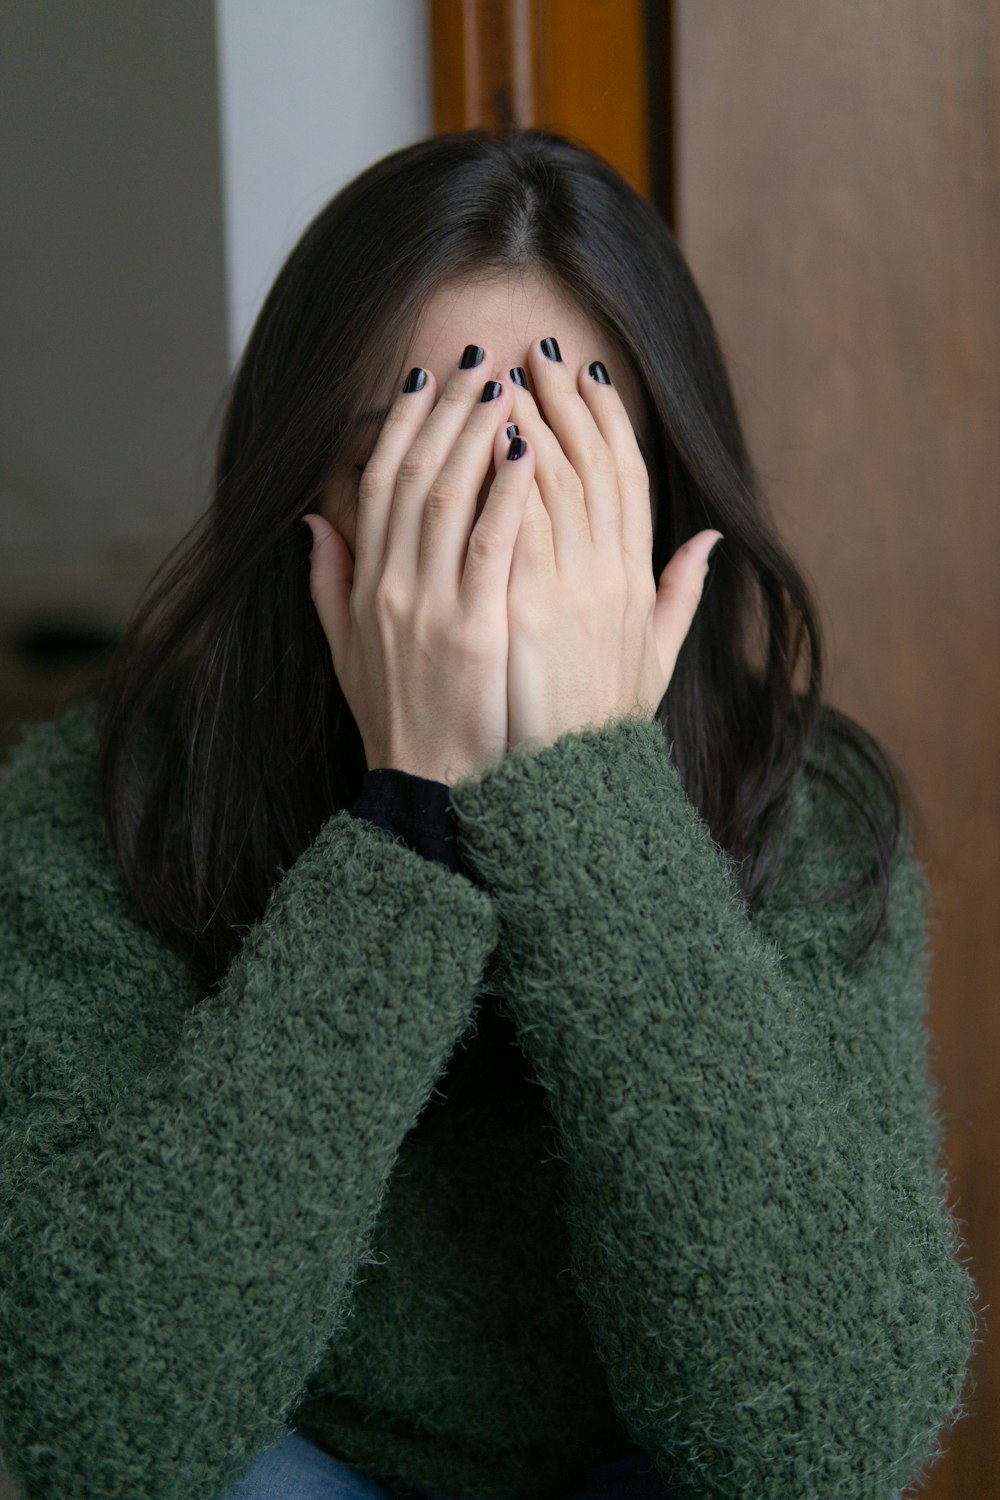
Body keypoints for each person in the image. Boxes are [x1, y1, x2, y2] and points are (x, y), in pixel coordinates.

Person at [0, 128, 980, 1500]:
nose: (498, 527)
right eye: (425, 451)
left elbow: (824, 1437)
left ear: (662, 503)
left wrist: (587, 796)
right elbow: (90, 1417)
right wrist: (408, 815)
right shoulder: (100, 806)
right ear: (306, 506)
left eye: (566, 459)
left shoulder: (798, 809)